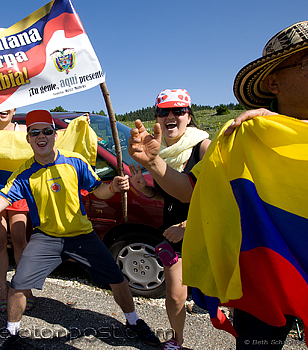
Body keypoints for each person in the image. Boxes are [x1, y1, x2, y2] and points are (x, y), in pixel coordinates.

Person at [129, 15, 308, 350]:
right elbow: (192, 190)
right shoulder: (242, 136)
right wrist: (153, 163)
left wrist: (297, 131)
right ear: (273, 82)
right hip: (266, 279)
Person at [0, 109, 161, 350]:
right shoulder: (23, 173)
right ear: (27, 139)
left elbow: (98, 190)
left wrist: (112, 187)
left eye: (47, 131)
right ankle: (11, 334)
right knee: (18, 284)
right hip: (46, 238)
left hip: (82, 235)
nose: (41, 136)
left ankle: (133, 322)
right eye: (34, 132)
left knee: (116, 277)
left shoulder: (75, 162)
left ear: (55, 136)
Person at [128, 89, 210, 350]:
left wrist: (188, 227)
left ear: (189, 116)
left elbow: (219, 198)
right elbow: (171, 198)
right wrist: (146, 190)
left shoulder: (204, 147)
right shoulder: (161, 152)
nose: (171, 116)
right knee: (175, 297)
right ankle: (177, 339)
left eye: (179, 111)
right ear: (157, 117)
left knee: (222, 299)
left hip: (207, 232)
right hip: (172, 235)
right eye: (164, 112)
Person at [0, 108, 33, 313]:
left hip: (17, 190)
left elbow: (48, 135)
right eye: (0, 105)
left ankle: (23, 287)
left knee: (20, 240)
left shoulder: (22, 130)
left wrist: (76, 126)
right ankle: (3, 288)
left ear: (15, 109)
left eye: (9, 105)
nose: (4, 110)